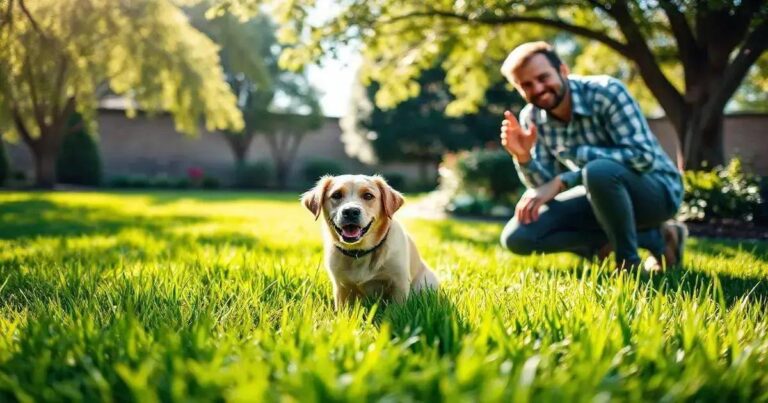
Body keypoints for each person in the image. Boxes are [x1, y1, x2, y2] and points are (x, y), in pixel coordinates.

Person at [497, 41, 687, 271]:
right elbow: (546, 187)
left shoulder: (607, 92)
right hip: (597, 198)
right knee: (518, 237)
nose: (537, 89)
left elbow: (643, 156)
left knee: (599, 171)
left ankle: (628, 264)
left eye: (543, 78)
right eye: (526, 85)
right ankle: (657, 238)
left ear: (563, 70)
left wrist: (567, 180)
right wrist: (523, 157)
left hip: (657, 192)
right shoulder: (533, 118)